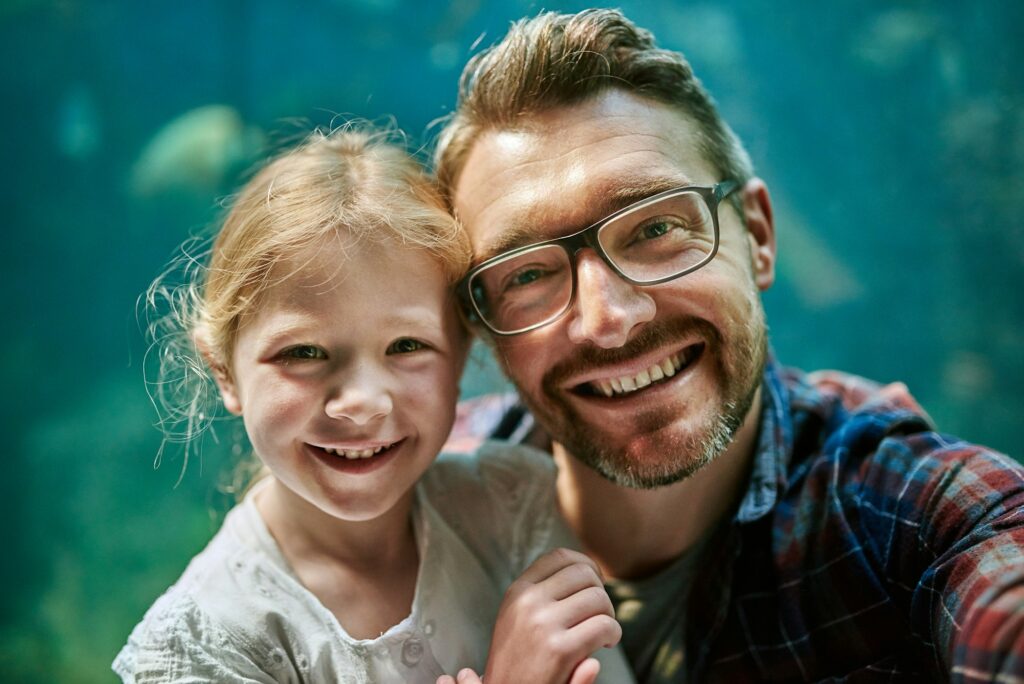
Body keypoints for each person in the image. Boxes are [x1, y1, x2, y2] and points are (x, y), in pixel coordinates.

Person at [433, 9, 1024, 683]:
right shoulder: (412, 493)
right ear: (480, 324)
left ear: (759, 237)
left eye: (655, 227)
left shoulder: (901, 512)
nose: (608, 321)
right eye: (528, 273)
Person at [113, 127, 630, 683]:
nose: (360, 404)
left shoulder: (513, 508)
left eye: (407, 346)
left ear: (459, 359)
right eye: (304, 352)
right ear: (224, 370)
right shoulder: (201, 647)